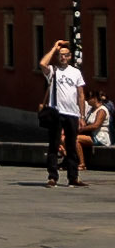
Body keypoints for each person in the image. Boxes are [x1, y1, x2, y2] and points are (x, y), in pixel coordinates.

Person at [39, 39, 88, 187]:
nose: (63, 57)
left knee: (71, 145)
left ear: (70, 56)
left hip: (72, 113)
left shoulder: (76, 72)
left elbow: (81, 95)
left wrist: (82, 115)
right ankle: (52, 176)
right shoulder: (53, 71)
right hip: (56, 112)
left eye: (66, 55)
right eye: (61, 55)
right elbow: (42, 64)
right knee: (53, 145)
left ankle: (73, 177)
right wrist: (54, 48)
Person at [78, 89, 111, 174]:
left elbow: (96, 125)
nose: (87, 100)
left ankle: (82, 163)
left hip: (99, 136)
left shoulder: (102, 110)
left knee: (75, 139)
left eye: (89, 98)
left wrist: (81, 129)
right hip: (91, 135)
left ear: (95, 98)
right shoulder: (91, 110)